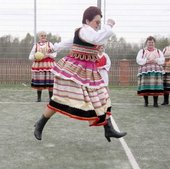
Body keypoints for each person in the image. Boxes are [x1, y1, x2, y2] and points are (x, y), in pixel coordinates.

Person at [34, 6, 127, 142]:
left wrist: (55, 47)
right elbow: (97, 38)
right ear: (87, 20)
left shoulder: (87, 33)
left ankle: (108, 129)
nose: (98, 25)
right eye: (96, 22)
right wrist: (109, 25)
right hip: (74, 70)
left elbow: (70, 42)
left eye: (99, 23)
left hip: (89, 72)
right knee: (60, 99)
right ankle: (40, 124)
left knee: (103, 97)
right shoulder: (86, 31)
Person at [136, 36, 165, 107]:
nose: (151, 43)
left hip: (156, 71)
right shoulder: (142, 51)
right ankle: (146, 102)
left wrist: (156, 60)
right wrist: (147, 61)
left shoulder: (158, 51)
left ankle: (155, 102)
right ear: (146, 43)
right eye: (149, 42)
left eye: (152, 42)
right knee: (145, 86)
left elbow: (162, 60)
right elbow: (138, 59)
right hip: (145, 71)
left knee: (156, 86)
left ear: (154, 43)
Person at [29, 31, 57, 102]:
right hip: (39, 65)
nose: (43, 37)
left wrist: (48, 55)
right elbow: (30, 56)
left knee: (50, 82)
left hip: (49, 65)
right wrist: (36, 57)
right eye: (42, 35)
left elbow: (55, 53)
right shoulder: (36, 45)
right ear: (39, 36)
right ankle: (39, 98)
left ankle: (51, 98)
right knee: (39, 82)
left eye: (45, 35)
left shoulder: (50, 44)